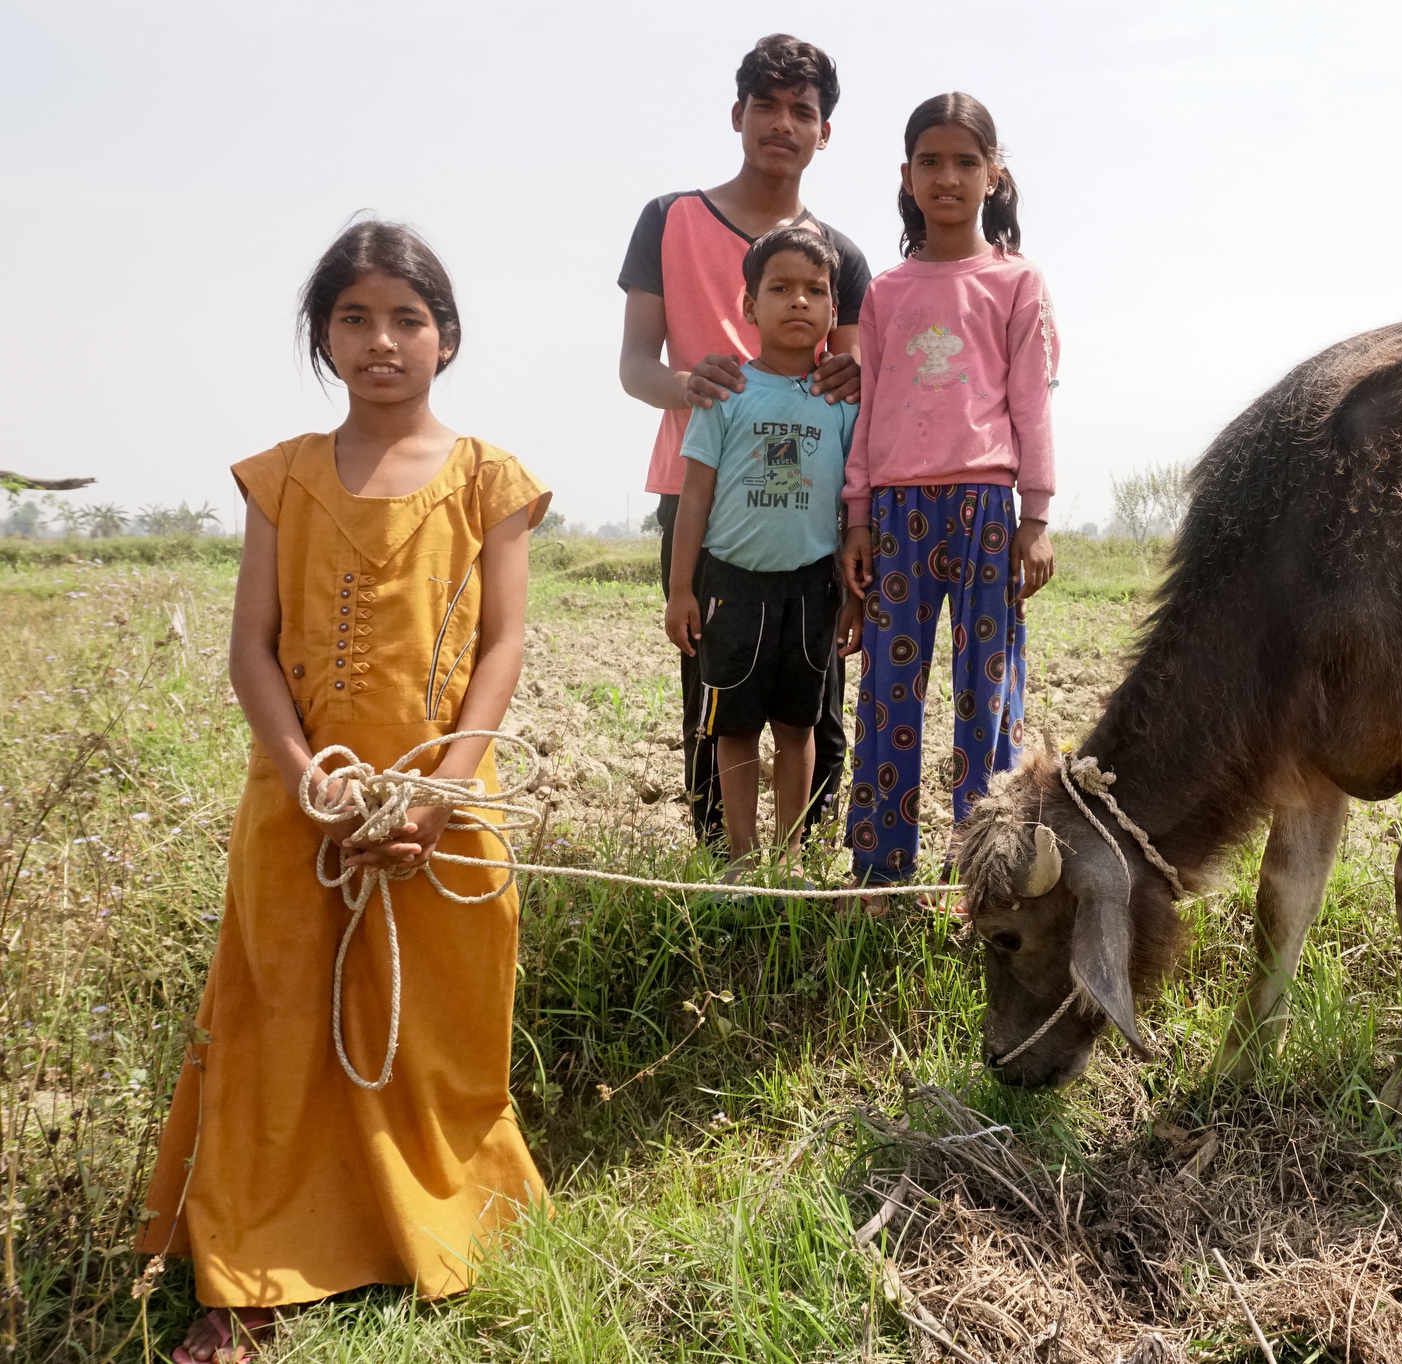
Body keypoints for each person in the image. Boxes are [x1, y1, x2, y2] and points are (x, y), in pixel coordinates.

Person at [136, 222, 550, 1363]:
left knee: (434, 1036)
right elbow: (251, 650)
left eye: (407, 318)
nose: (382, 340)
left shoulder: (490, 481)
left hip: (442, 812)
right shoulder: (281, 479)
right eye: (355, 317)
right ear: (323, 337)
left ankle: (434, 1229)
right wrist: (303, 774)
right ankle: (244, 1272)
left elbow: (504, 644)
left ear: (447, 337)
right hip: (301, 810)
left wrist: (439, 797)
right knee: (273, 1027)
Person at [618, 33, 871, 848]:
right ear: (738, 114)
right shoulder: (668, 220)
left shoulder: (842, 260)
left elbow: (852, 385)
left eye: (804, 110)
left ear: (825, 131)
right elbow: (635, 364)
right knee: (714, 690)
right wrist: (691, 389)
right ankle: (723, 866)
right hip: (699, 493)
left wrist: (859, 379)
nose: (783, 123)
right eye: (767, 105)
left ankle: (800, 867)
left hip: (810, 518)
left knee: (813, 697)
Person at [838, 93, 1059, 895]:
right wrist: (857, 517)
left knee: (986, 697)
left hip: (985, 512)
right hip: (897, 512)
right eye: (930, 161)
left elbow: (1032, 403)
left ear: (994, 176)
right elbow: (868, 413)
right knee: (889, 696)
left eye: (967, 161)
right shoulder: (888, 292)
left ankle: (988, 877)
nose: (948, 177)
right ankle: (880, 871)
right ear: (906, 174)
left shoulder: (1016, 282)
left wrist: (1035, 516)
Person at [664, 227, 858, 865]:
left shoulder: (842, 401)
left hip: (811, 585)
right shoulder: (726, 392)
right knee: (736, 728)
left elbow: (857, 499)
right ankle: (743, 863)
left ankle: (791, 859)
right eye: (780, 289)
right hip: (733, 584)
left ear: (834, 310)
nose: (798, 302)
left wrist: (854, 596)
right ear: (750, 305)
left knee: (799, 727)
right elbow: (694, 496)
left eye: (815, 291)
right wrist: (681, 589)